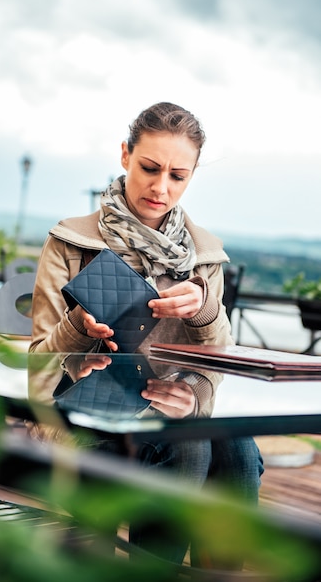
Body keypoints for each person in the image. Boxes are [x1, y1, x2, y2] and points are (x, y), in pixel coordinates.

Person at [30, 102, 263, 567]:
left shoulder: (203, 257)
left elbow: (216, 359)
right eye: (150, 168)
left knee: (237, 447)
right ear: (124, 156)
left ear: (192, 176)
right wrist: (79, 327)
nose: (161, 188)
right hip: (86, 413)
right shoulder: (71, 243)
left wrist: (204, 314)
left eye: (178, 175)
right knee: (189, 445)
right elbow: (38, 359)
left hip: (172, 408)